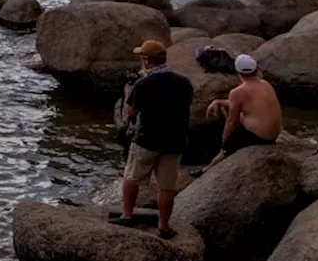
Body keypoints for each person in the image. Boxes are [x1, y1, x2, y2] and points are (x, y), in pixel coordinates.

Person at [111, 40, 193, 239]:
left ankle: (127, 215)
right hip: (175, 141)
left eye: (142, 58)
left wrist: (128, 93)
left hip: (147, 140)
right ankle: (164, 226)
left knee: (131, 178)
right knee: (166, 187)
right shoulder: (184, 82)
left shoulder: (144, 84)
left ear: (147, 61)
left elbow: (129, 113)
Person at [197, 54, 282, 174]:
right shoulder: (265, 84)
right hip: (274, 134)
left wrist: (225, 139)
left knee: (229, 140)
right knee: (241, 114)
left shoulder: (238, 92)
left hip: (261, 137)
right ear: (255, 69)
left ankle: (208, 168)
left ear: (237, 71)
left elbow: (232, 120)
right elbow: (244, 104)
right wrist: (219, 102)